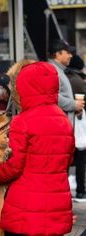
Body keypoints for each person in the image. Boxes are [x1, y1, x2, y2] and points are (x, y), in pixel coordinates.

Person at [0, 62, 75, 235]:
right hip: (56, 205)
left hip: (26, 208)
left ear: (26, 87)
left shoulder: (24, 120)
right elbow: (67, 161)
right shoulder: (63, 120)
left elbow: (14, 166)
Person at [48, 39, 85, 125]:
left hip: (62, 124)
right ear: (58, 54)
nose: (71, 56)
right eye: (68, 52)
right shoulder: (51, 70)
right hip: (58, 126)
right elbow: (51, 97)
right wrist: (73, 105)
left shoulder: (58, 70)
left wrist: (73, 109)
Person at [66, 54, 86, 201]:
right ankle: (81, 191)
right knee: (80, 159)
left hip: (65, 125)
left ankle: (65, 189)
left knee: (65, 159)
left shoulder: (64, 78)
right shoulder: (80, 81)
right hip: (78, 123)